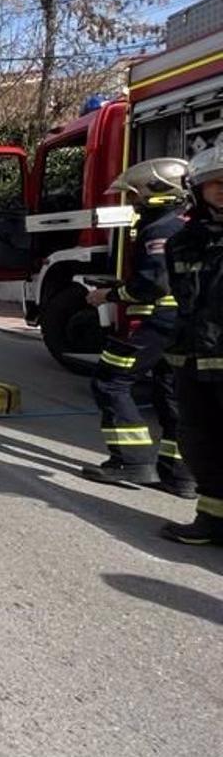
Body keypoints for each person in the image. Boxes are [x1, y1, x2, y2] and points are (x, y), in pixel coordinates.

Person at [81, 157, 194, 497]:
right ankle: (181, 475)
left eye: (135, 195)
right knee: (172, 394)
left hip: (154, 322)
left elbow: (154, 285)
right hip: (184, 326)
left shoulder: (160, 230)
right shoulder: (188, 223)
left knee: (111, 381)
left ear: (158, 193)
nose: (132, 202)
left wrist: (109, 294)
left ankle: (131, 461)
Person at [161, 144, 223, 545]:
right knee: (198, 439)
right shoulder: (182, 242)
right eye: (213, 184)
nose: (221, 190)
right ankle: (212, 520)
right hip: (193, 358)